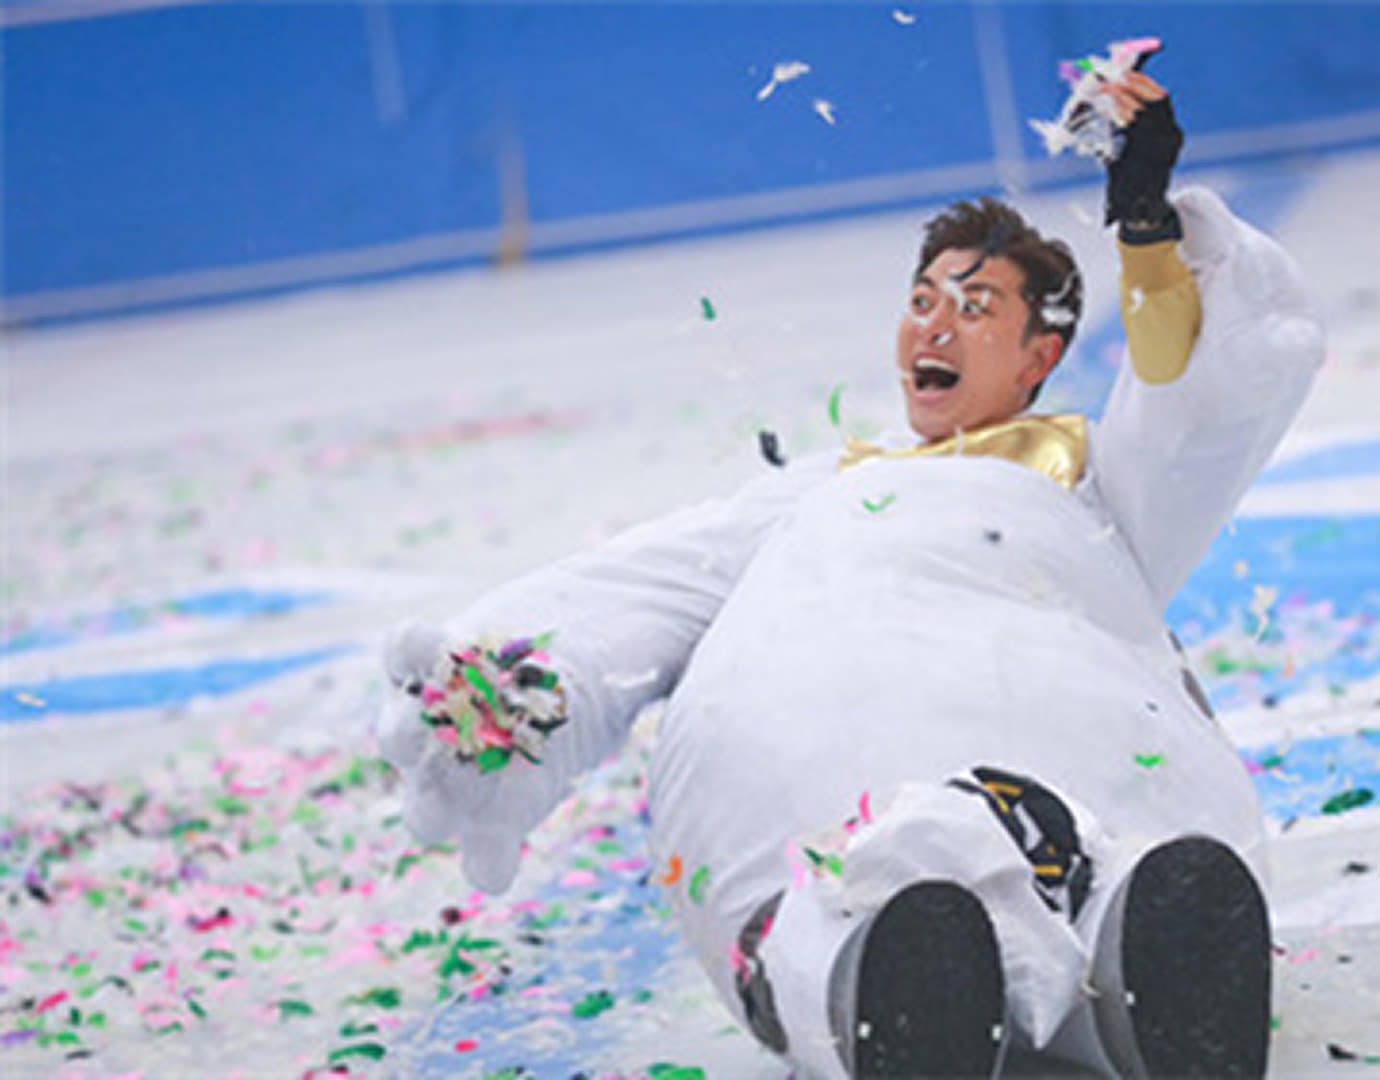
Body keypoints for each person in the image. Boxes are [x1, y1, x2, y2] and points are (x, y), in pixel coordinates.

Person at [377, 69, 1324, 1078]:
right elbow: (646, 590)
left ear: (1041, 354)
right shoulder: (813, 493)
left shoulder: (1094, 481)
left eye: (974, 307)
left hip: (1065, 728)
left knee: (1097, 845)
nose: (933, 327)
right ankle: (864, 971)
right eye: (921, 302)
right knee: (841, 886)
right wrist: (511, 695)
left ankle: (1134, 951)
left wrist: (1143, 221)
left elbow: (1184, 400)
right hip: (830, 770)